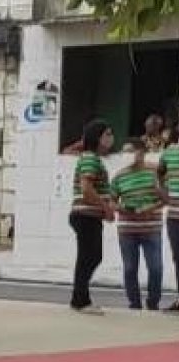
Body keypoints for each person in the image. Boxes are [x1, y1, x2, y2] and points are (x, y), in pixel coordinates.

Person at [111, 138, 165, 310]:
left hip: (151, 227)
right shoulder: (119, 175)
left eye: (130, 151)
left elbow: (167, 196)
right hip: (127, 229)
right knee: (129, 269)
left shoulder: (156, 171)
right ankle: (134, 303)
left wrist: (152, 208)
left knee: (156, 268)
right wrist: (122, 208)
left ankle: (153, 302)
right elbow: (111, 200)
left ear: (141, 152)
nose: (127, 155)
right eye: (124, 152)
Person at [70, 120, 116, 315]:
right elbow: (87, 189)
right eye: (107, 134)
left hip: (88, 215)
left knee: (89, 257)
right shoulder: (90, 159)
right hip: (85, 215)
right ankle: (80, 299)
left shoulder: (92, 159)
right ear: (97, 138)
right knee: (90, 257)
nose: (111, 138)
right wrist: (106, 208)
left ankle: (80, 298)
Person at [157, 126, 179, 311]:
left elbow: (158, 178)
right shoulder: (169, 153)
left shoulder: (168, 153)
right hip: (174, 215)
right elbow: (158, 177)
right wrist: (166, 198)